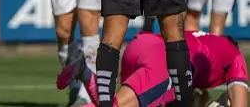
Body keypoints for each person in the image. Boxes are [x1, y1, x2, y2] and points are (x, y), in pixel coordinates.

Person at [57, 30, 248, 107]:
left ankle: (85, 72)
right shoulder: (236, 58)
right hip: (164, 62)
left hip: (141, 46)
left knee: (115, 102)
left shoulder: (209, 43)